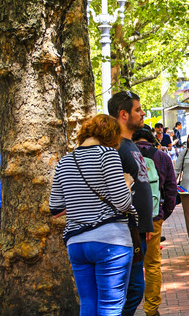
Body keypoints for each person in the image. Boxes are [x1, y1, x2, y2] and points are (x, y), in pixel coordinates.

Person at [49, 114, 136, 315]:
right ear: (112, 136)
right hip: (110, 241)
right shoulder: (108, 155)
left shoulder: (65, 161)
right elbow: (122, 202)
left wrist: (80, 201)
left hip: (77, 242)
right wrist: (127, 182)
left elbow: (55, 208)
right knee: (110, 306)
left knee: (88, 303)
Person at [107, 90, 154, 316]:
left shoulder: (130, 144)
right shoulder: (115, 147)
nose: (143, 113)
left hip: (137, 231)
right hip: (126, 233)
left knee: (133, 289)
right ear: (123, 114)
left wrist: (145, 226)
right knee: (133, 290)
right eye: (138, 109)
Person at [132, 128, 177, 316]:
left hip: (128, 220)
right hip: (153, 218)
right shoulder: (162, 157)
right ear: (152, 140)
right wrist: (161, 214)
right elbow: (171, 190)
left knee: (131, 264)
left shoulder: (123, 154)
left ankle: (128, 307)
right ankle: (151, 309)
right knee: (152, 264)